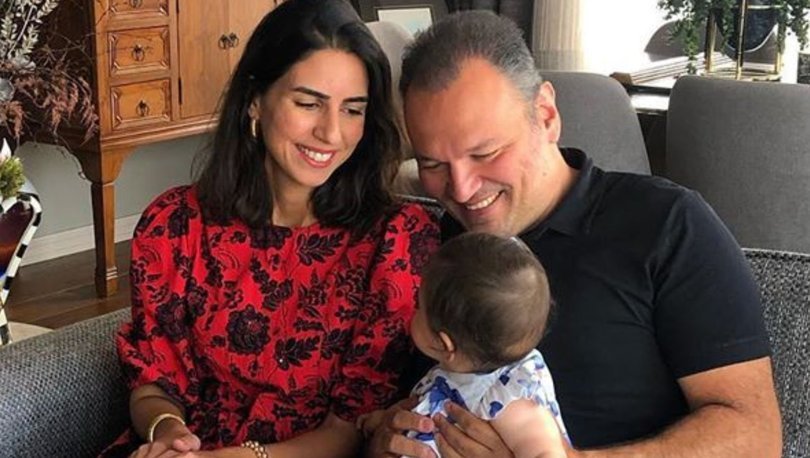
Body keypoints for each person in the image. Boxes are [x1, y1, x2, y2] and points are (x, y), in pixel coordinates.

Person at [367, 10, 782, 458]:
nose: (462, 189)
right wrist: (384, 436)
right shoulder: (426, 244)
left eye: (485, 153)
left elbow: (755, 437)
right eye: (432, 164)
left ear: (545, 115)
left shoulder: (667, 225)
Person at [98, 1, 440, 457]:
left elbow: (352, 428)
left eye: (353, 110)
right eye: (309, 104)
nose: (332, 133)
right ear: (255, 100)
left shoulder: (396, 241)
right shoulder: (174, 225)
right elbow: (155, 381)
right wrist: (168, 433)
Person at [362, 232, 569, 457]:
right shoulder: (460, 372)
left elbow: (546, 451)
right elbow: (424, 409)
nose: (413, 311)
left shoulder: (509, 397)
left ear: (444, 344)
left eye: (419, 305)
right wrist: (381, 420)